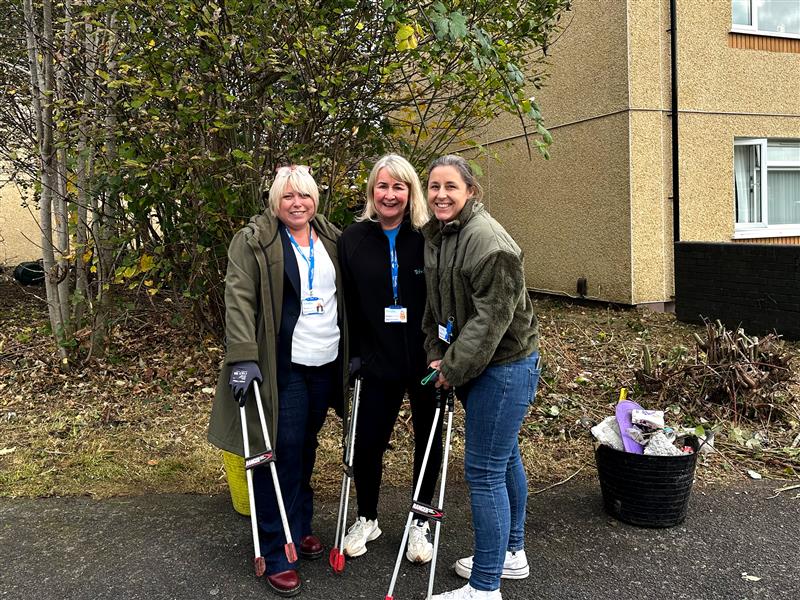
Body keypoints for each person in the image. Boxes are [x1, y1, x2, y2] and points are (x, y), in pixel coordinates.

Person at [208, 165, 347, 598]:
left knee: (306, 445)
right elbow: (239, 300)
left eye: (304, 195)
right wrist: (243, 358)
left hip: (325, 362)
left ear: (315, 200)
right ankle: (275, 547)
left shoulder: (332, 237)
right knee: (278, 453)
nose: (297, 203)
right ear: (275, 202)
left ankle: (299, 524)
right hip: (282, 366)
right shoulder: (255, 241)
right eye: (288, 197)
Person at [421, 155, 541, 600]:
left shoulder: (490, 243)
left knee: (484, 471)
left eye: (451, 186)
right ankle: (510, 554)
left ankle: (485, 587)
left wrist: (451, 369)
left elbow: (490, 322)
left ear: (471, 191)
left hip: (505, 367)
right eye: (434, 186)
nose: (441, 195)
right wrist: (437, 354)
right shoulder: (438, 235)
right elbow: (435, 307)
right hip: (475, 364)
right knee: (504, 458)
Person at [337, 154, 443, 563]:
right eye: (383, 186)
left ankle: (419, 522)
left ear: (410, 192)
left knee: (427, 443)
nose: (390, 194)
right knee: (367, 443)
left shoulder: (427, 236)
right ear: (371, 191)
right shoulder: (354, 239)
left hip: (424, 362)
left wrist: (443, 353)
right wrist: (356, 354)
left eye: (399, 186)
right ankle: (367, 517)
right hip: (376, 362)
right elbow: (347, 304)